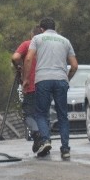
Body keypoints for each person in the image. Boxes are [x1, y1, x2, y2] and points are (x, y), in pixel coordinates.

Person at [23, 17, 79, 159]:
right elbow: (74, 65)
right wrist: (67, 78)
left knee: (41, 113)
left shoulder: (38, 39)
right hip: (60, 79)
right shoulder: (65, 41)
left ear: (41, 29)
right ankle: (65, 149)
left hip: (43, 79)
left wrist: (25, 79)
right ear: (55, 28)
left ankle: (46, 140)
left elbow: (28, 58)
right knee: (62, 115)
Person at [12, 25, 44, 153]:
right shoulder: (47, 46)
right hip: (45, 85)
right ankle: (44, 139)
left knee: (29, 114)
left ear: (32, 35)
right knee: (43, 114)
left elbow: (15, 57)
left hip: (31, 85)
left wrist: (18, 66)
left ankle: (36, 134)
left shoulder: (27, 44)